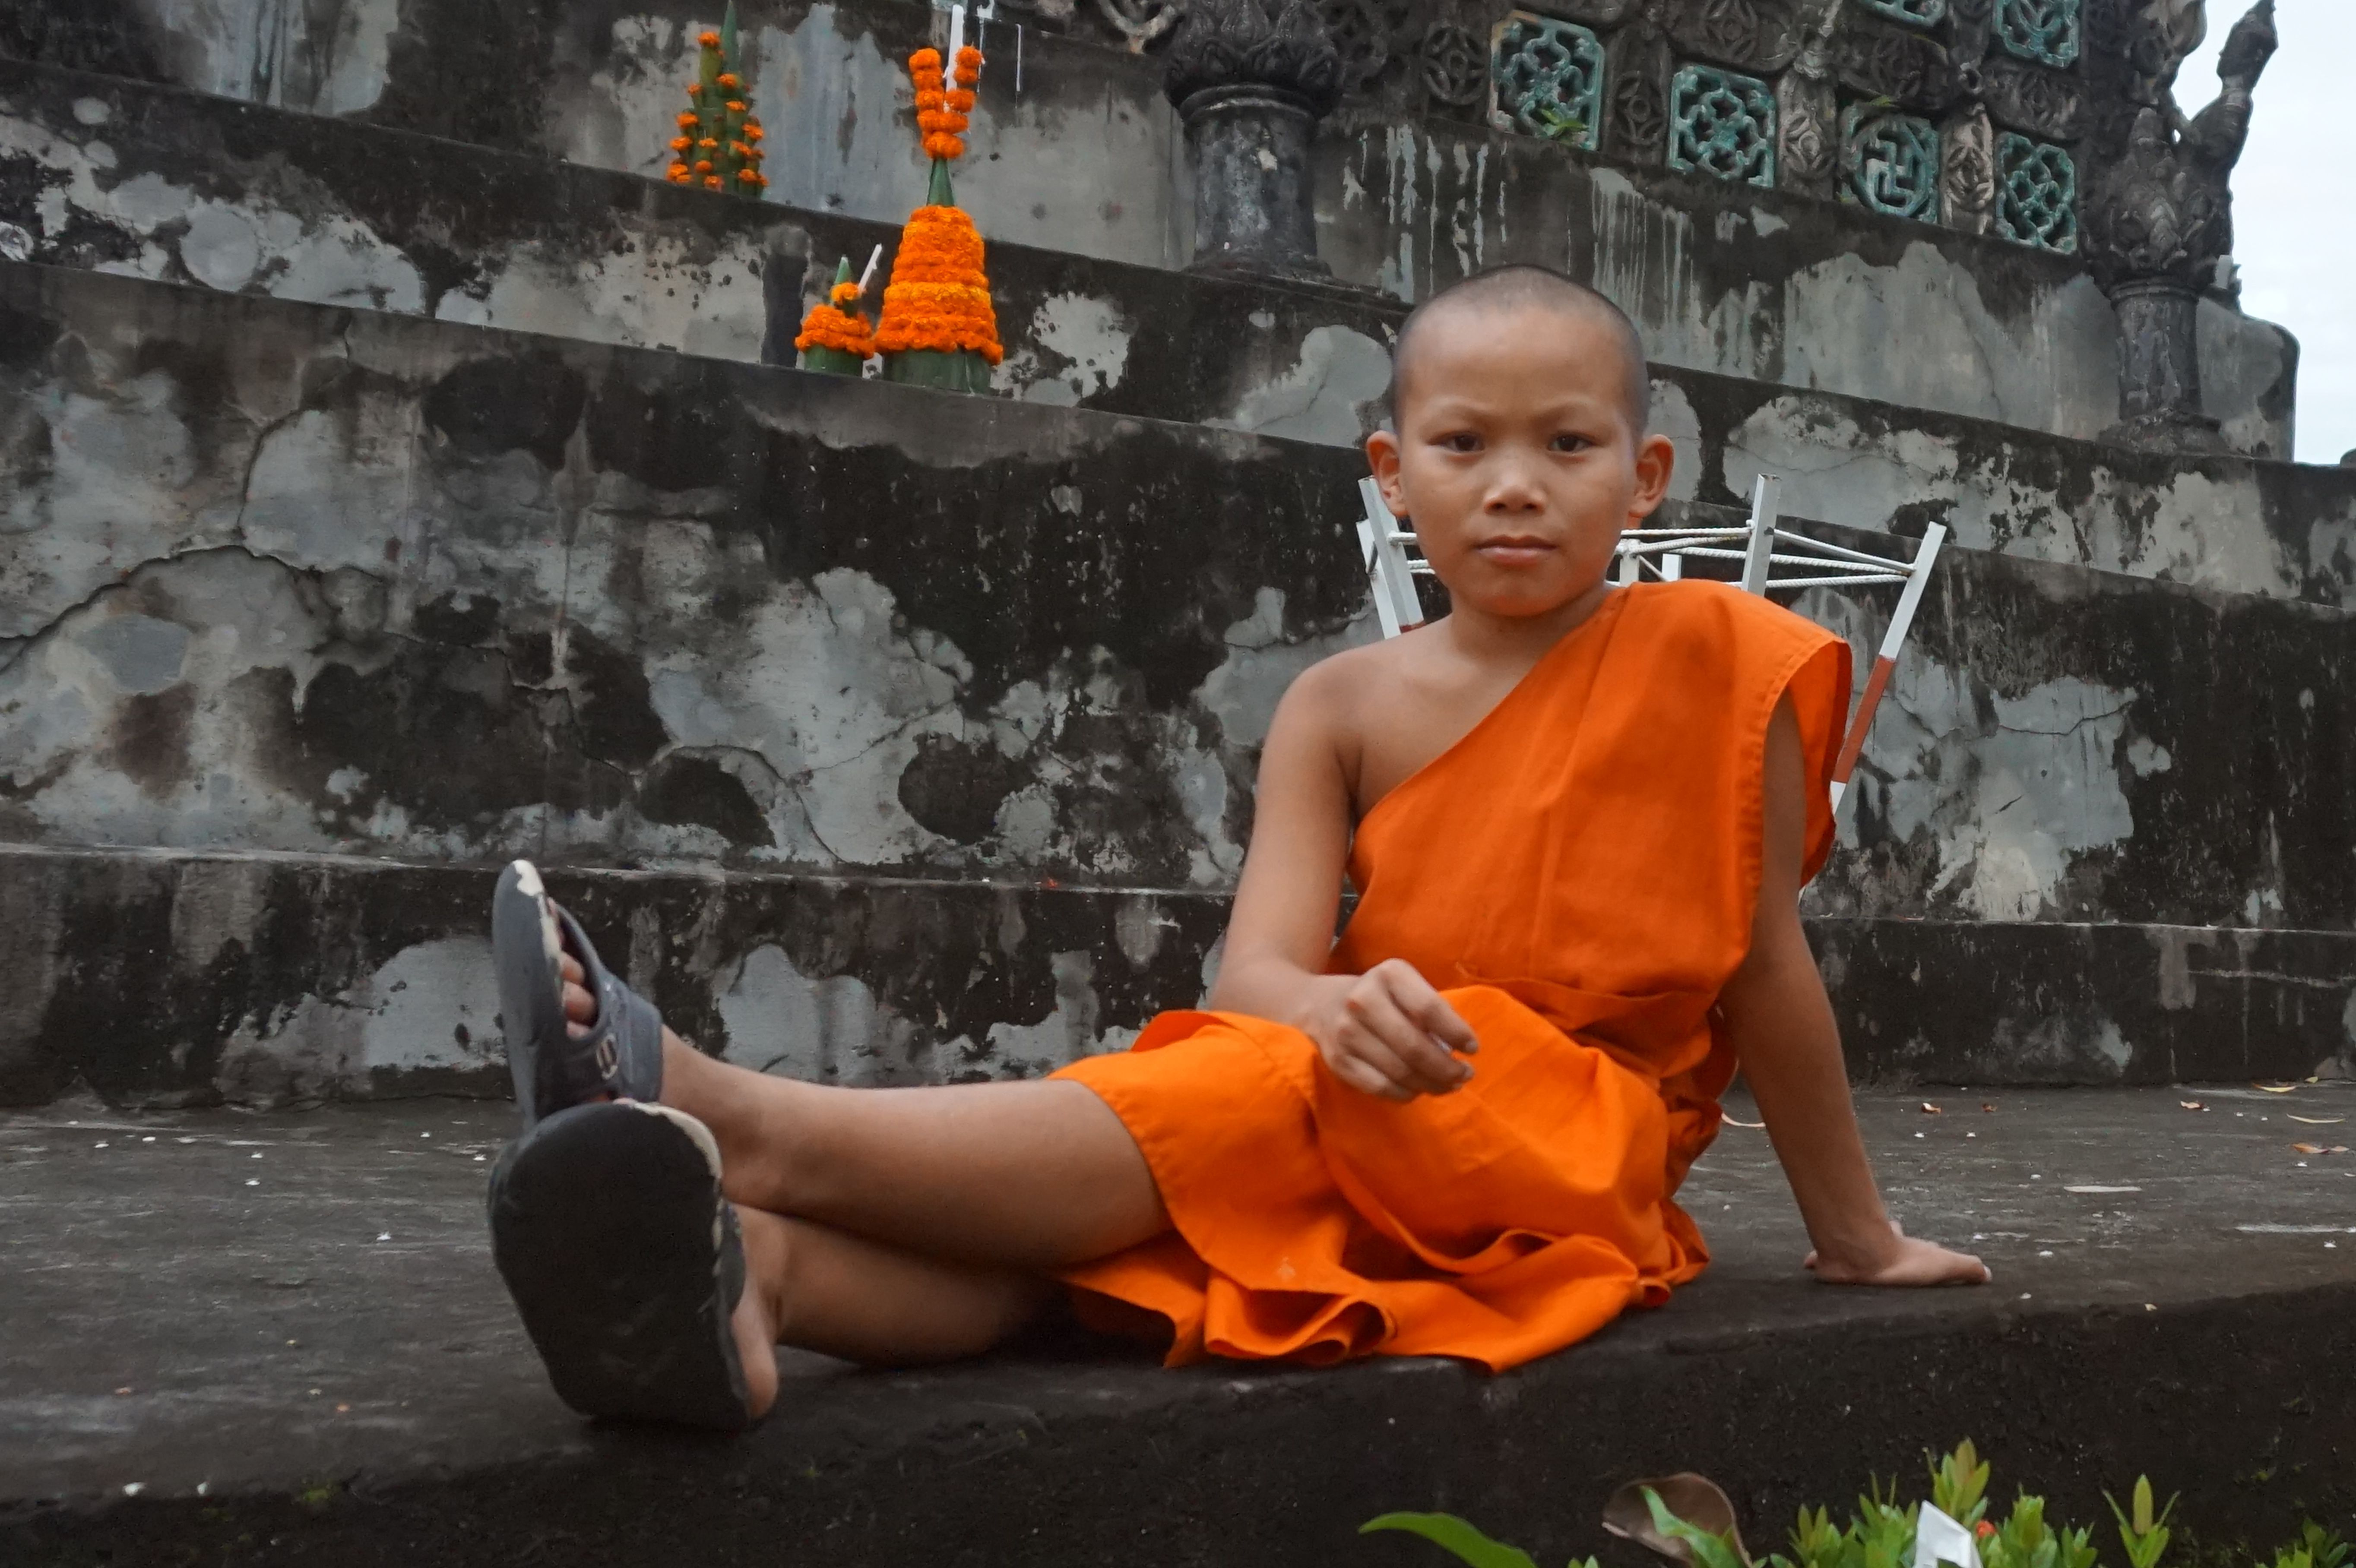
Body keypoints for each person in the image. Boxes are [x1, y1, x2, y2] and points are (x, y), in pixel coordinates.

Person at [482, 263, 1990, 1431]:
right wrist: (1335, 1005)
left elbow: (1765, 970)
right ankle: (758, 1280)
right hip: (1347, 1083)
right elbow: (1263, 970)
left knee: (1239, 1104)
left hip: (1563, 1138)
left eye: (1568, 443)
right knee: (1108, 1256)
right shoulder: (1338, 704)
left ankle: (729, 1113)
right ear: (1394, 476)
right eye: (1465, 444)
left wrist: (1857, 1238)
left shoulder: (1720, 662)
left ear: (1645, 476)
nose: (1515, 483)